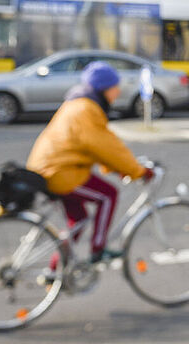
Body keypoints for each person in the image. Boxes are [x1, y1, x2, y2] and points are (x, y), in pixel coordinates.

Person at [27, 61, 153, 264]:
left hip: (52, 169)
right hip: (60, 172)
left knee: (79, 219)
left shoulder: (77, 103)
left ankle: (56, 268)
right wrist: (137, 171)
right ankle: (98, 249)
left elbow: (92, 147)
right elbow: (107, 147)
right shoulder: (87, 109)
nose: (118, 91)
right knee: (108, 196)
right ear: (104, 88)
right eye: (115, 86)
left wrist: (117, 168)